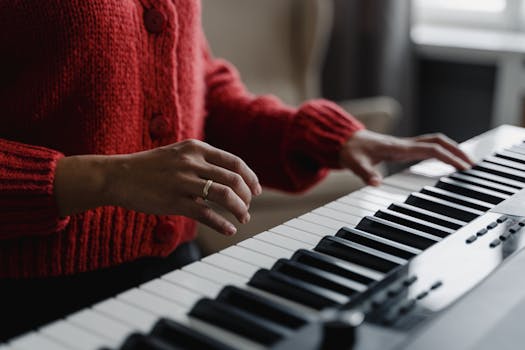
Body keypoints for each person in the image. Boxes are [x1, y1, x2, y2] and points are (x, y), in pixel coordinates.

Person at [0, 0, 473, 341]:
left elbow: (202, 92)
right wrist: (106, 178)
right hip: (33, 295)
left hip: (174, 275)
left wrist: (325, 138)